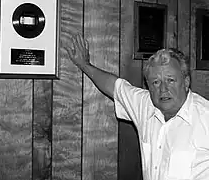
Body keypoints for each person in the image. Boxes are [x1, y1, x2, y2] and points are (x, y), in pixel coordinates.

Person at [65, 33, 209, 180]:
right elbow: (114, 86)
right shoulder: (145, 104)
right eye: (156, 82)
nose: (163, 89)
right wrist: (84, 64)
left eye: (170, 80)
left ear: (186, 82)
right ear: (148, 86)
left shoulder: (205, 117)